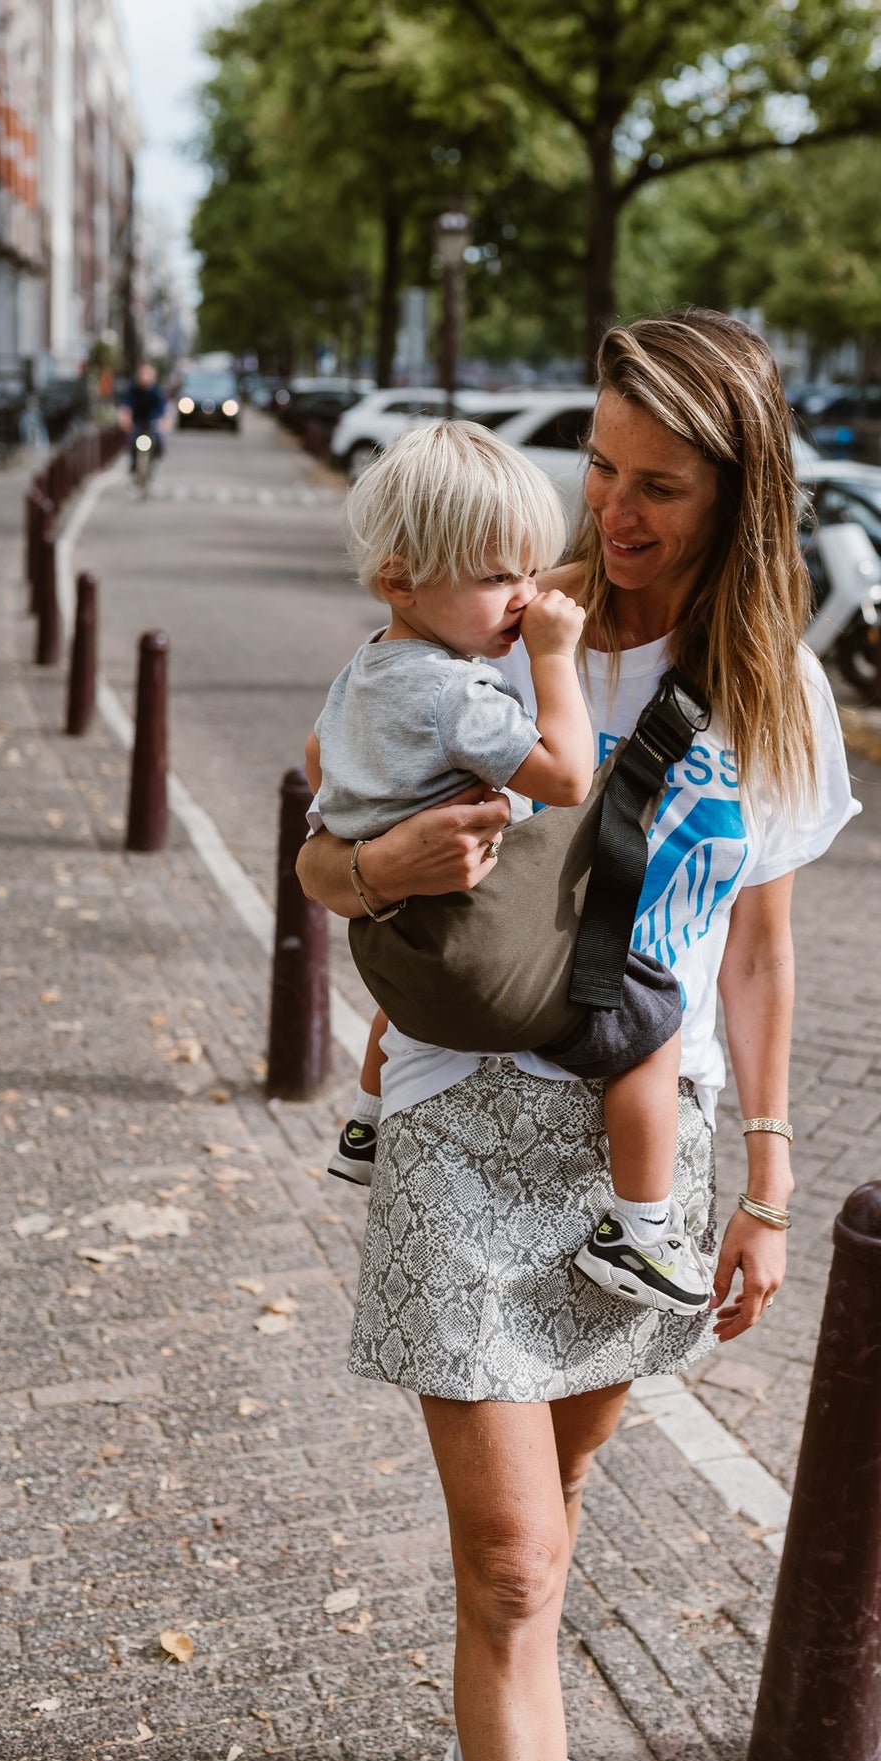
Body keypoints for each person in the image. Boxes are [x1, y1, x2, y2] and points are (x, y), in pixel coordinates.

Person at [297, 309, 859, 1761]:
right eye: (601, 466)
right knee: (510, 1564)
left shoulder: (772, 696)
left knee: (558, 1509)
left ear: (738, 496)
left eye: (657, 485)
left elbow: (756, 945)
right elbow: (321, 842)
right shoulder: (491, 630)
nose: (609, 509)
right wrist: (369, 874)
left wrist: (769, 1191)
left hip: (640, 1151)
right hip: (461, 1111)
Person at [310, 419, 710, 1312]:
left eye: (530, 571)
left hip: (396, 958)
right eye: (498, 579)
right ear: (400, 581)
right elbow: (568, 776)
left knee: (406, 983)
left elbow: (323, 788)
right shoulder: (459, 693)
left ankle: (367, 1126)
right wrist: (553, 657)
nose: (525, 598)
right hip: (484, 959)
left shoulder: (362, 674)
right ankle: (642, 1230)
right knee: (655, 1018)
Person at [119, 362, 167, 474]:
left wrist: (162, 421)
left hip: (152, 422)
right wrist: (125, 418)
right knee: (131, 441)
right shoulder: (133, 390)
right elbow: (126, 405)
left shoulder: (156, 391)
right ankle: (133, 464)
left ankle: (156, 462)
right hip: (138, 422)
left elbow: (162, 408)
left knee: (159, 440)